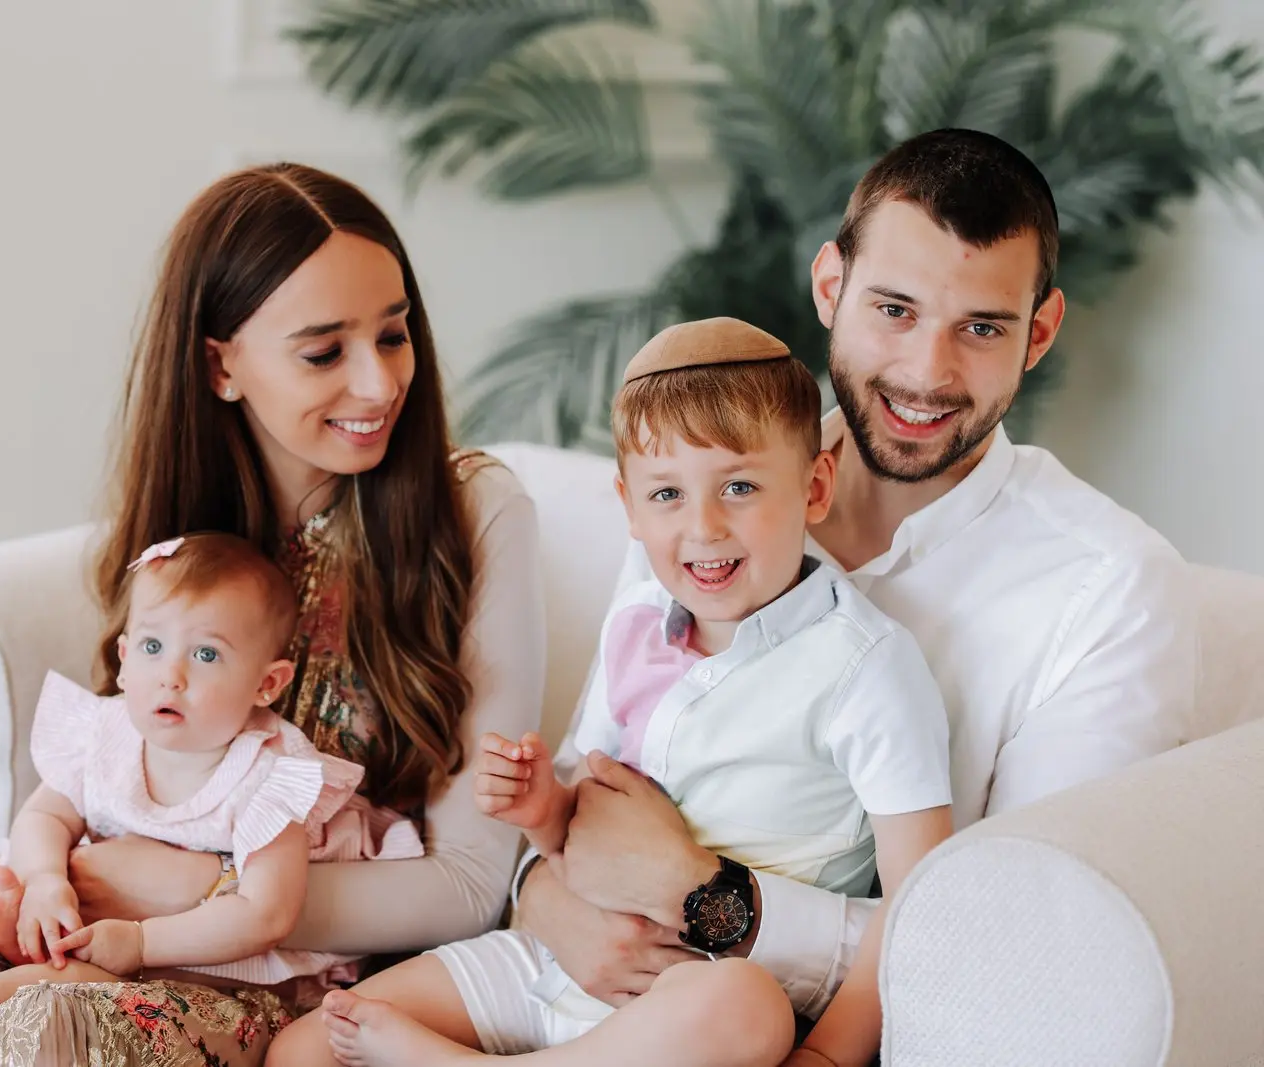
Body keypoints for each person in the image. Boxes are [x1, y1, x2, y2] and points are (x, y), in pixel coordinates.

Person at [0, 162, 545, 1067]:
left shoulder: (475, 513)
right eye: (324, 350)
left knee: (47, 1039)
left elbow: (469, 883)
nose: (380, 384)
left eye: (394, 333)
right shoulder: (181, 542)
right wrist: (22, 881)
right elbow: (118, 771)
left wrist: (189, 889)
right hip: (102, 935)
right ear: (221, 364)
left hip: (287, 969)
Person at [512, 128, 1198, 1065]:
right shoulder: (705, 490)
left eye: (982, 327)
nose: (927, 371)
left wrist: (707, 895)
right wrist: (550, 903)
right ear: (830, 287)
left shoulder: (1111, 592)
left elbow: (1015, 954)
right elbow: (580, 780)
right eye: (894, 309)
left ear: (1038, 332)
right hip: (587, 1007)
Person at [268, 319, 956, 1067]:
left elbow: (921, 899)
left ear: (815, 484)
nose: (704, 526)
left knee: (744, 1005)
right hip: (568, 957)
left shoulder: (865, 665)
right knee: (307, 1047)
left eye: (739, 485)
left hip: (704, 993)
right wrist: (541, 809)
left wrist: (826, 1056)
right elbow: (582, 812)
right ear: (629, 507)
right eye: (667, 493)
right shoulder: (636, 622)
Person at [0, 531, 431, 1036]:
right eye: (153, 647)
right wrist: (44, 879)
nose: (171, 674)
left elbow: (265, 914)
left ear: (266, 684)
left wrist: (141, 942)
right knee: (47, 907)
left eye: (206, 655)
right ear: (125, 662)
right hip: (116, 919)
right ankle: (20, 930)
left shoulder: (269, 775)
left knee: (115, 981)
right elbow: (45, 815)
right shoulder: (104, 735)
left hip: (227, 961)